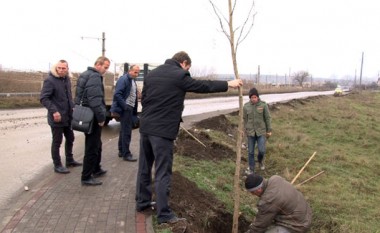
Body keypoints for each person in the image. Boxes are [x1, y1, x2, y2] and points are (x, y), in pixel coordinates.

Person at [135, 51, 243, 224]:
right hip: (162, 132)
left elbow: (145, 99)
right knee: (163, 172)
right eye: (188, 68)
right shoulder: (179, 74)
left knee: (144, 167)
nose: (188, 71)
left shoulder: (152, 74)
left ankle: (142, 203)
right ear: (184, 63)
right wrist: (228, 84)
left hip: (146, 128)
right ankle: (164, 214)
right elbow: (203, 86)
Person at [40, 60, 82, 174]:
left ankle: (69, 160)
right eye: (59, 68)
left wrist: (72, 106)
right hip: (56, 117)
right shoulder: (50, 80)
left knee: (71, 138)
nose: (61, 70)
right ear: (56, 68)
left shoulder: (67, 80)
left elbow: (69, 97)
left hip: (68, 116)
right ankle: (57, 165)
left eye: (64, 68)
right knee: (57, 141)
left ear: (67, 69)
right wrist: (54, 111)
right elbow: (44, 98)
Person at [75, 56, 110, 186]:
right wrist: (101, 118)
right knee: (92, 146)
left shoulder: (85, 74)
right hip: (93, 116)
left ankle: (96, 168)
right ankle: (86, 176)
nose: (106, 70)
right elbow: (95, 100)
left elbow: (78, 96)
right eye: (105, 67)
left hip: (86, 115)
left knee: (97, 144)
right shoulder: (95, 77)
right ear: (98, 64)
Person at [244, 174, 312, 233]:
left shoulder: (268, 200)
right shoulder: (275, 178)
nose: (252, 195)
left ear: (259, 189)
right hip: (306, 213)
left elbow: (260, 225)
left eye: (252, 192)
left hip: (298, 225)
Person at [110, 65, 140, 162]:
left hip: (129, 108)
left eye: (138, 72)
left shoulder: (132, 80)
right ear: (130, 71)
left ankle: (121, 150)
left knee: (123, 130)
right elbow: (117, 94)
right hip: (126, 109)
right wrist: (125, 106)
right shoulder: (124, 79)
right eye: (135, 72)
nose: (137, 74)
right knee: (127, 131)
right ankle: (126, 154)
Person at [243, 88, 272, 174]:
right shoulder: (246, 106)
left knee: (261, 150)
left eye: (255, 97)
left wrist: (269, 130)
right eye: (252, 97)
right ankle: (251, 169)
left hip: (261, 132)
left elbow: (267, 118)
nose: (253, 99)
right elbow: (245, 119)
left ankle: (260, 161)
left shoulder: (263, 105)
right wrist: (244, 130)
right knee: (250, 151)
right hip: (250, 132)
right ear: (250, 98)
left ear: (258, 97)